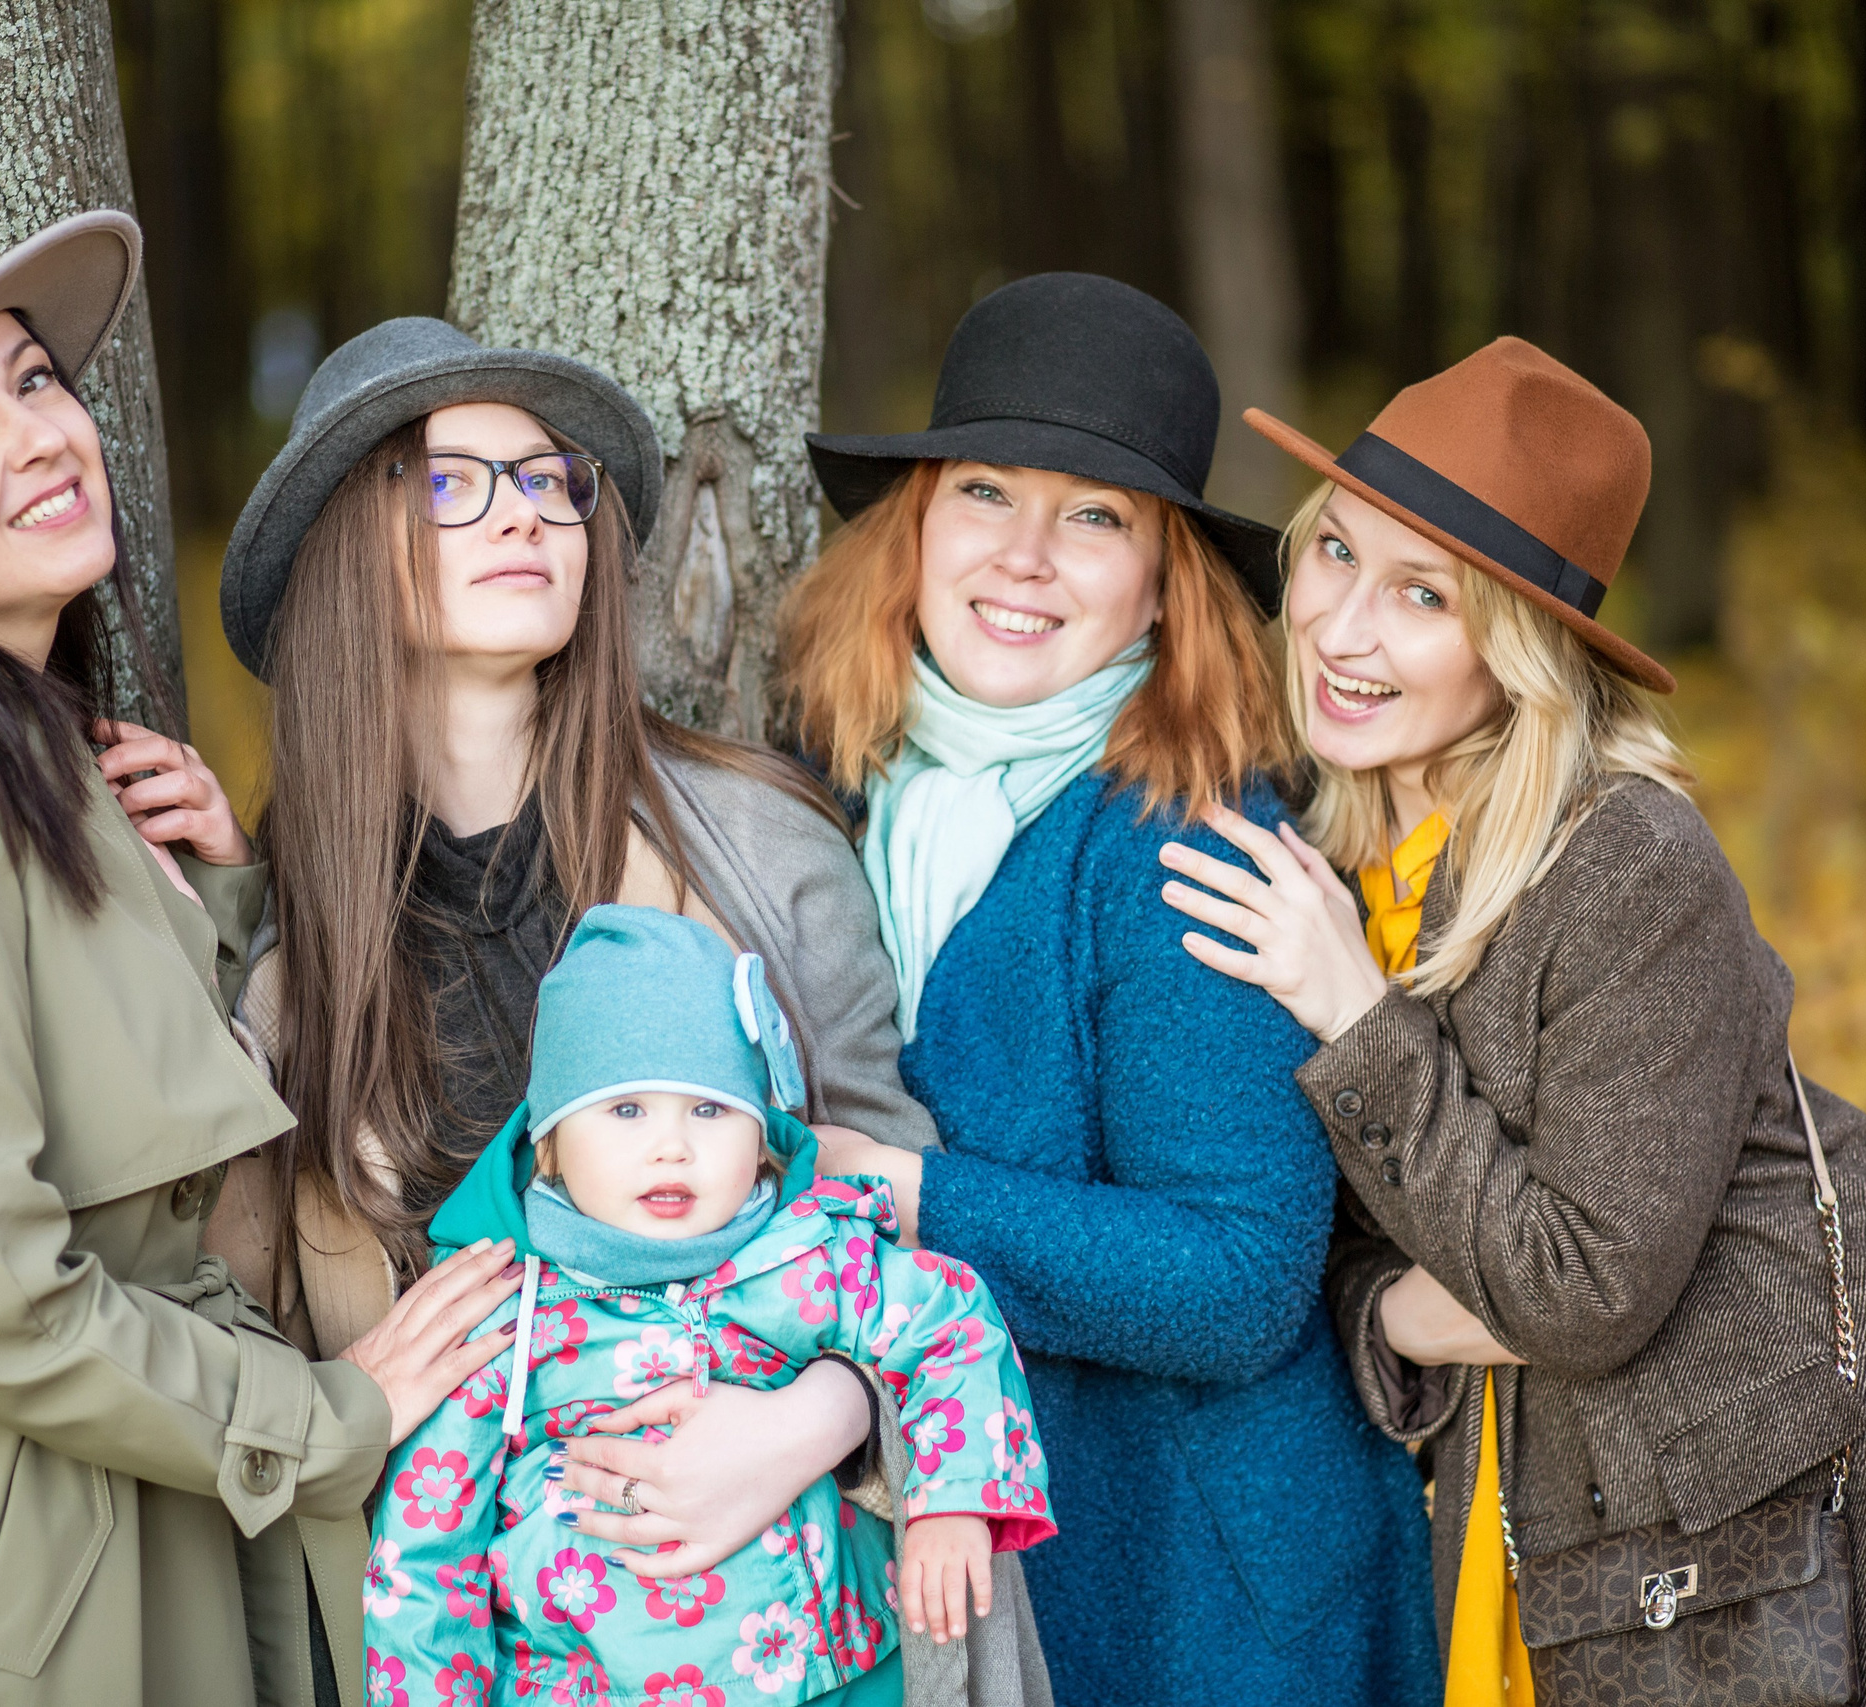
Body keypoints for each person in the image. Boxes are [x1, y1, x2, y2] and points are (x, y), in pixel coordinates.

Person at [0, 214, 519, 1707]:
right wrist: (333, 1414)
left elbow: (114, 1099)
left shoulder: (15, 742)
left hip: (85, 1494)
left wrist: (219, 892)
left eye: (37, 381)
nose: (42, 437)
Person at [1162, 336, 1866, 1705]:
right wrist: (1407, 1308)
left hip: (1786, 1512)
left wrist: (1353, 1011)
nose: (1341, 627)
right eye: (1336, 555)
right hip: (1567, 1511)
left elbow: (1580, 1292)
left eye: (1421, 595)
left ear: (1517, 652)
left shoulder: (1627, 863)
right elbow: (1327, 1243)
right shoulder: (1318, 845)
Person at [201, 318, 1047, 1702]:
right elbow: (222, 1333)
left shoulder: (760, 848)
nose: (525, 512)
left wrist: (806, 1425)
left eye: (551, 479)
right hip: (489, 1642)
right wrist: (355, 1388)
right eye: (452, 480)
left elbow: (898, 1211)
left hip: (813, 1616)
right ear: (345, 551)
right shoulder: (290, 975)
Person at [789, 272, 1439, 1704]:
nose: (1026, 554)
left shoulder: (1183, 839)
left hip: (1204, 1597)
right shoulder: (857, 791)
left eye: (1095, 516)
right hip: (1018, 1555)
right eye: (984, 493)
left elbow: (1235, 1278)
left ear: (1162, 578)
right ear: (913, 530)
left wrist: (903, 1190)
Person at [366, 905, 1054, 1707]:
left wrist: (951, 1503)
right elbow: (423, 1559)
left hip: (835, 1674)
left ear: (762, 1134)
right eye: (626, 1109)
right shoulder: (500, 1310)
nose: (672, 1146)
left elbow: (953, 1324)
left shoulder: (807, 1252)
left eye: (709, 1108)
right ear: (549, 1141)